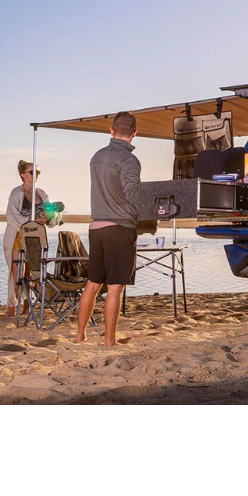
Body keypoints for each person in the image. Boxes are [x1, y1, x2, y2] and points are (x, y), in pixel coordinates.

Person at [76, 111, 141, 346]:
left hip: (96, 228)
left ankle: (80, 335)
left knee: (93, 284)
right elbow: (132, 194)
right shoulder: (129, 160)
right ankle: (109, 341)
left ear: (111, 130)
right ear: (134, 133)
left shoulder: (97, 156)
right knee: (115, 288)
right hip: (119, 228)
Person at [3, 160, 55, 318]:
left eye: (38, 172)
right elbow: (11, 217)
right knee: (16, 275)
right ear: (22, 175)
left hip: (36, 240)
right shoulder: (16, 193)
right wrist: (30, 223)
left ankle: (27, 306)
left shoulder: (42, 193)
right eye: (32, 172)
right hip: (18, 237)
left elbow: (52, 217)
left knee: (31, 273)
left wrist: (47, 218)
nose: (36, 175)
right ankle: (12, 307)